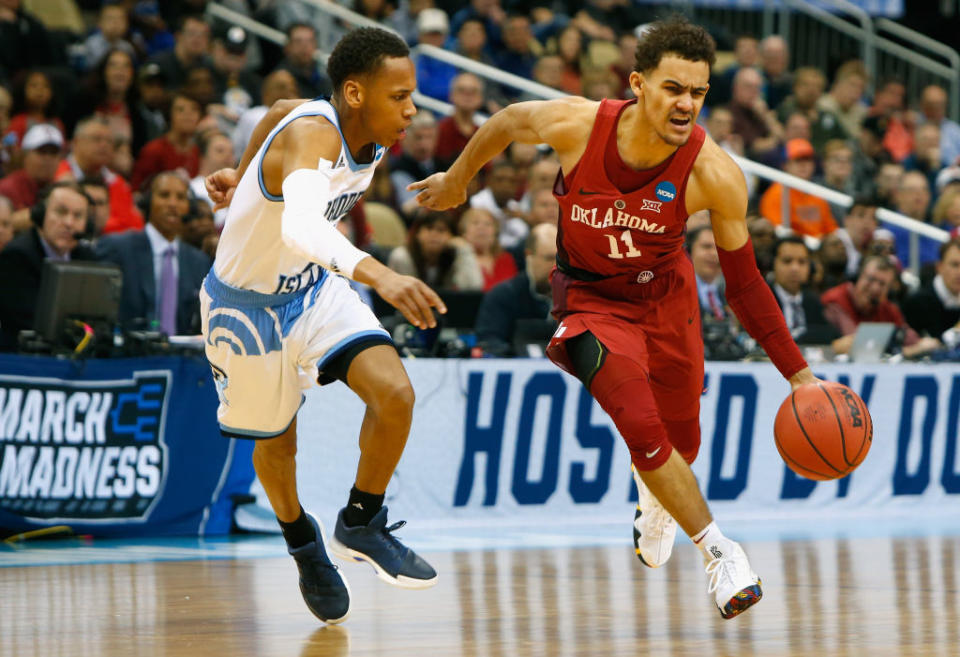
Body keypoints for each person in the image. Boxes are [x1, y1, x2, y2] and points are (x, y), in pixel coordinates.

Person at [410, 16, 818, 619]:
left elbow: (746, 284)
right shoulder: (580, 125)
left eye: (699, 93)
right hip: (592, 301)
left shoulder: (717, 174)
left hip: (666, 301)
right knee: (637, 418)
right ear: (639, 84)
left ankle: (654, 499)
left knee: (682, 442)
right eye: (674, 88)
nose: (686, 104)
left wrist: (799, 374)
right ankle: (720, 552)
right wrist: (456, 179)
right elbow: (505, 122)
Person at [201, 27, 445, 625]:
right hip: (245, 310)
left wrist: (241, 170)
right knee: (277, 440)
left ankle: (361, 522)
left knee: (395, 393)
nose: (412, 110)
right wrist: (382, 276)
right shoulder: (316, 134)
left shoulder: (366, 130)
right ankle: (303, 543)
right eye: (400, 97)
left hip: (312, 292)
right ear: (356, 94)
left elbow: (280, 107)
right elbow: (303, 228)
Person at [96, 172, 211, 336]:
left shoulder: (199, 262)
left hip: (181, 357)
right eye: (164, 195)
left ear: (189, 208)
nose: (173, 204)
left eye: (180, 198)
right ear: (149, 201)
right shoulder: (118, 248)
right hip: (127, 356)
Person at [0, 182, 97, 350]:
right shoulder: (17, 256)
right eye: (61, 212)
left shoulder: (87, 258)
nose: (69, 222)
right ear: (41, 215)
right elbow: (26, 323)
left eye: (78, 216)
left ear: (86, 226)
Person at [474, 222, 556, 356]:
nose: (556, 266)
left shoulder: (577, 295)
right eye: (549, 258)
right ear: (528, 256)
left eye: (561, 258)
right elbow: (488, 341)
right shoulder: (503, 295)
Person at [768, 236, 839, 345]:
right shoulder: (762, 300)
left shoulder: (813, 301)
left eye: (802, 262)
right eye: (787, 261)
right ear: (773, 264)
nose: (795, 268)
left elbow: (829, 335)